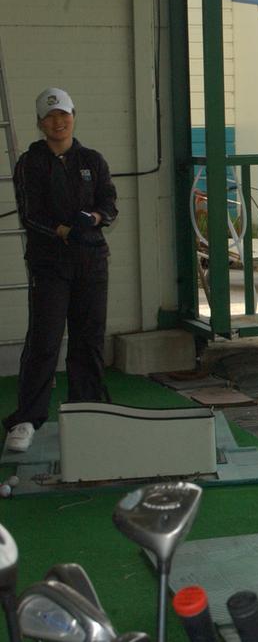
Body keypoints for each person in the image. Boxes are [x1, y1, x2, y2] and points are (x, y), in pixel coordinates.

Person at [4, 88, 117, 454]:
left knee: (88, 339)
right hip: (49, 264)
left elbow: (109, 205)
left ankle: (89, 412)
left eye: (64, 114)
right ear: (40, 122)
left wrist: (95, 218)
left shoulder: (92, 160)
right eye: (51, 116)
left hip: (92, 263)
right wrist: (66, 231)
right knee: (45, 340)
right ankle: (26, 419)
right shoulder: (29, 163)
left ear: (73, 115)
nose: (59, 121)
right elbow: (30, 215)